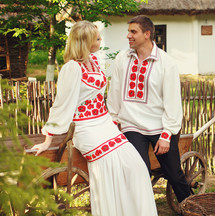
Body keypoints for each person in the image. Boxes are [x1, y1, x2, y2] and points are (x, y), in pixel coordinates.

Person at [31, 21, 158, 216]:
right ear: (86, 41)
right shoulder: (71, 68)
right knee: (110, 166)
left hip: (104, 123)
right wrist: (48, 139)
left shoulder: (94, 61)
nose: (101, 40)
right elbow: (61, 104)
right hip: (85, 128)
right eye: (98, 38)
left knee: (136, 166)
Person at [107, 15, 191, 203]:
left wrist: (166, 134)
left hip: (159, 127)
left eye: (133, 32)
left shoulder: (165, 62)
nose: (128, 35)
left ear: (147, 34)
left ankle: (192, 208)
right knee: (140, 174)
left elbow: (172, 101)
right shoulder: (122, 58)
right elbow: (115, 91)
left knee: (175, 175)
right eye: (128, 31)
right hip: (132, 126)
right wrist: (113, 120)